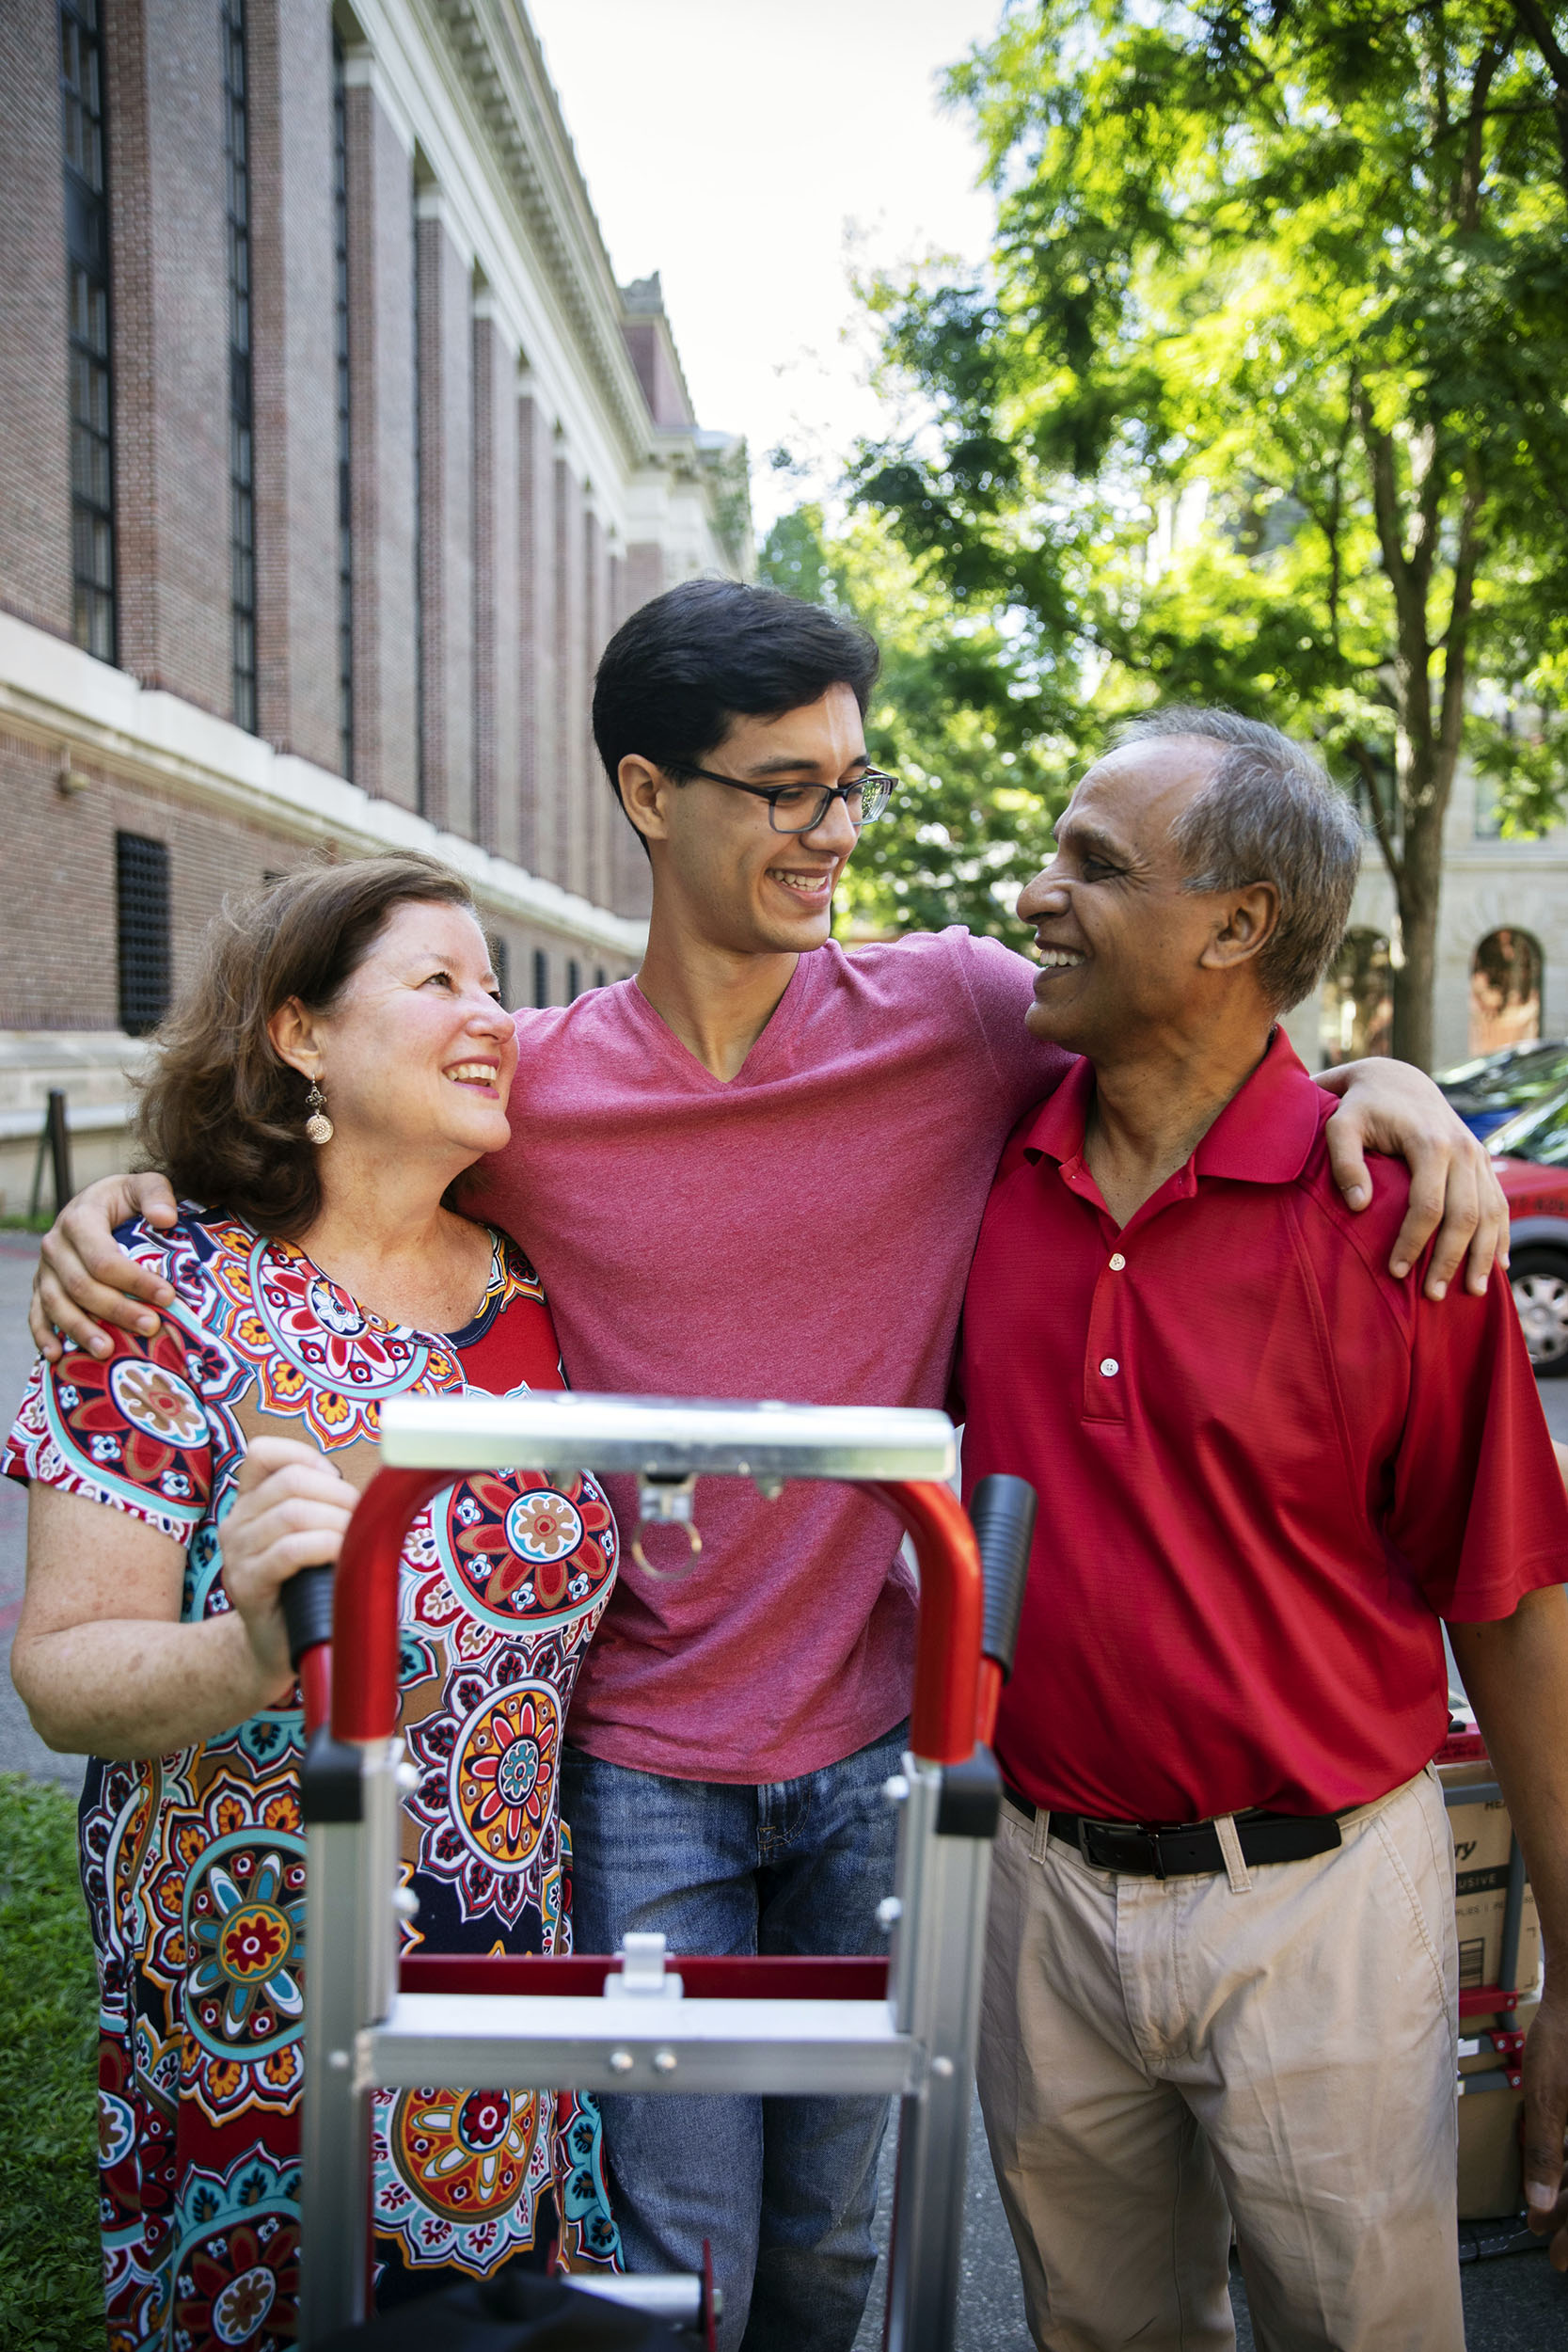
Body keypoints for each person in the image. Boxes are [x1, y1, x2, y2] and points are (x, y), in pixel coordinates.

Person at [29, 584, 1510, 2352]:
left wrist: (1390, 1079)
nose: (833, 834)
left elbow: (1194, 1037)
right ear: (655, 795)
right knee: (683, 2258)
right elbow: (328, 1182)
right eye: (787, 790)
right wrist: (121, 1202)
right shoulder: (529, 1099)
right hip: (643, 1761)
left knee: (834, 2249)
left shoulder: (958, 1018)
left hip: (880, 1742)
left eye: (853, 788)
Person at [958, 708, 1568, 2352]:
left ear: (1238, 925)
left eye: (1094, 865)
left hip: (1320, 1912)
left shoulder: (1399, 1219)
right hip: (1039, 1893)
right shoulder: (987, 1155)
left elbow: (1510, 1603)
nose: (1036, 894)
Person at [8, 857, 621, 2350]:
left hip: (496, 1978)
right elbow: (66, 1672)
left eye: (498, 987)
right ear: (299, 1034)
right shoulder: (160, 1293)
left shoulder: (540, 1291)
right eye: (439, 984)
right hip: (249, 1989)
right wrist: (251, 1646)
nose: (494, 1019)